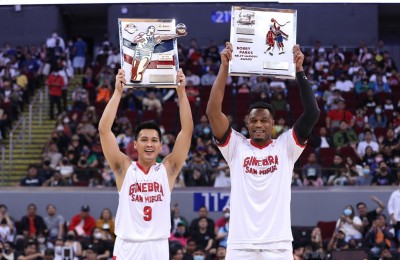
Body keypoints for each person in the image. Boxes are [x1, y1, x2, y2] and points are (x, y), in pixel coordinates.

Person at [206, 42, 319, 259]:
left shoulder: (286, 146)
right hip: (240, 243)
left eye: (264, 120)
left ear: (273, 124)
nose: (259, 124)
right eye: (254, 120)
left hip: (278, 244)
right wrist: (224, 68)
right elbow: (213, 112)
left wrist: (299, 71)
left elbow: (312, 113)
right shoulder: (236, 146)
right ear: (247, 124)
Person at [98, 68, 193, 259]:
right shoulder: (124, 168)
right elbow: (104, 130)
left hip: (157, 246)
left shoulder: (168, 169)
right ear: (135, 144)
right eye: (144, 140)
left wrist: (181, 94)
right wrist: (117, 93)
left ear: (160, 145)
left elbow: (187, 131)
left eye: (153, 140)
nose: (149, 144)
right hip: (128, 246)